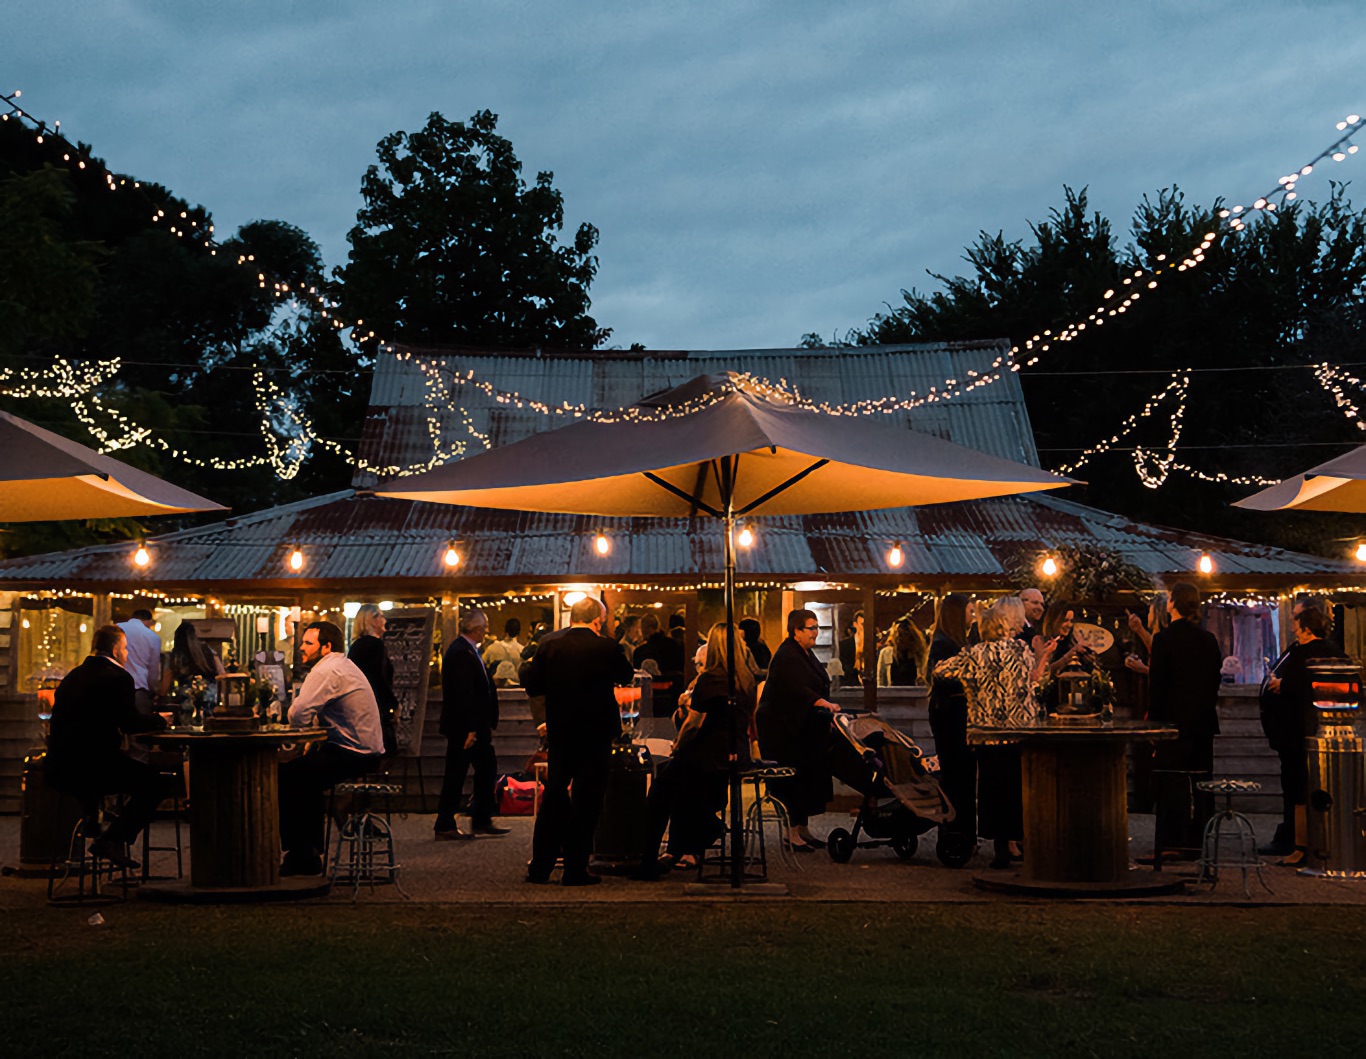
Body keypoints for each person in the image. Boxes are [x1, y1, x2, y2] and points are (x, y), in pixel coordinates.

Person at [934, 597, 1053, 869]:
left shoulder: (975, 654)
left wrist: (968, 683)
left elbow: (940, 671)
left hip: (986, 732)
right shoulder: (1021, 650)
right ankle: (1021, 844)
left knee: (991, 790)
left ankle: (1000, 849)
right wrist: (1043, 658)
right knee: (1016, 789)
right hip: (1017, 731)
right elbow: (1034, 682)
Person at [524, 597, 635, 886]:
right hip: (596, 733)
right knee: (587, 801)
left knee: (555, 795)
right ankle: (575, 869)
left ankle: (541, 867)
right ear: (597, 620)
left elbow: (533, 685)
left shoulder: (548, 645)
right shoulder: (606, 647)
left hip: (561, 731)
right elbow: (625, 675)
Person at [634, 622, 758, 879]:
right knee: (683, 791)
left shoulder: (710, 679)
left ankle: (649, 859)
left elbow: (693, 723)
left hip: (706, 754)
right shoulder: (746, 680)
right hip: (733, 753)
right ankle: (687, 842)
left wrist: (678, 744)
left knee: (660, 792)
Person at [44, 625, 167, 869]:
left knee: (99, 762)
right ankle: (111, 839)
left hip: (59, 769)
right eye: (125, 648)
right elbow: (130, 724)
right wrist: (161, 719)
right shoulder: (118, 677)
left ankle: (93, 821)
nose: (127, 653)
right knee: (156, 782)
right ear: (115, 649)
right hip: (94, 768)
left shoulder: (73, 676)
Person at [278, 621, 385, 876]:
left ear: (326, 647)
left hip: (355, 752)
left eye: (307, 643)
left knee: (290, 775)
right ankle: (308, 852)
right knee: (304, 774)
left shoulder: (327, 669)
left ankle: (302, 855)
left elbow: (298, 714)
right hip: (366, 750)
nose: (301, 648)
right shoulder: (342, 665)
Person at [1258, 598, 1343, 862]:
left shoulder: (1307, 655)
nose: (1293, 626)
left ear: (1306, 627)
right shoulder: (1330, 651)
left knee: (1298, 788)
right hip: (1307, 732)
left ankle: (1301, 847)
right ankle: (1311, 841)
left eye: (1296, 621)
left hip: (1299, 732)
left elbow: (1299, 686)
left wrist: (1279, 685)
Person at [756, 608, 841, 850]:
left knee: (808, 776)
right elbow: (797, 689)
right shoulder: (787, 656)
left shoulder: (804, 653)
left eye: (817, 627)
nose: (816, 633)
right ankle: (791, 833)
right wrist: (822, 703)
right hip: (784, 731)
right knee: (793, 778)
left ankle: (802, 829)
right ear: (797, 631)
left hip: (804, 728)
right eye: (811, 628)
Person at [434, 609, 509, 840]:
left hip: (472, 725)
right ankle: (448, 823)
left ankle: (479, 818)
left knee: (483, 769)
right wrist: (470, 728)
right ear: (476, 629)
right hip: (466, 727)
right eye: (484, 627)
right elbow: (462, 694)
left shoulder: (464, 650)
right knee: (459, 772)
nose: (487, 631)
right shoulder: (462, 653)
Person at [1148, 582, 1222, 774]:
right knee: (1202, 783)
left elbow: (1158, 685)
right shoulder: (1209, 639)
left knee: (1172, 782)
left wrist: (1155, 723)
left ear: (1173, 604)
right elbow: (1215, 680)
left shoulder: (1163, 639)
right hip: (1203, 722)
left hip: (1173, 723)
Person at [926, 594, 975, 861]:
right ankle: (956, 833)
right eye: (970, 610)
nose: (974, 615)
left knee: (962, 775)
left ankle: (965, 833)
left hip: (954, 714)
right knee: (956, 774)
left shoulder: (954, 642)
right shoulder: (945, 645)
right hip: (950, 715)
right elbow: (944, 677)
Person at [347, 604, 399, 757]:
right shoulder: (374, 645)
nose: (384, 620)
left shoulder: (358, 646)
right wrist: (393, 704)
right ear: (373, 620)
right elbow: (378, 679)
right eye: (381, 616)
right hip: (374, 708)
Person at [633, 611, 685, 718]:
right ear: (658, 626)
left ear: (645, 629)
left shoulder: (640, 652)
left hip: (648, 702)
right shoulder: (674, 645)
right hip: (674, 699)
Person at [157, 620, 225, 701]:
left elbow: (166, 682)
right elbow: (222, 674)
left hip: (187, 700)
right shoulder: (207, 651)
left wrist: (160, 695)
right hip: (210, 697)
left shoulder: (176, 656)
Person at [117, 608, 162, 717]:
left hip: (116, 687)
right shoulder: (153, 637)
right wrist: (154, 689)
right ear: (149, 621)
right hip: (139, 688)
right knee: (140, 727)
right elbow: (153, 669)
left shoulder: (116, 628)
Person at [877, 618, 927, 687]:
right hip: (891, 695)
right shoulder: (886, 654)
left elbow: (925, 680)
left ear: (911, 636)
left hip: (913, 695)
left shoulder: (918, 655)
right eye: (899, 634)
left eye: (905, 634)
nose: (901, 638)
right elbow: (880, 682)